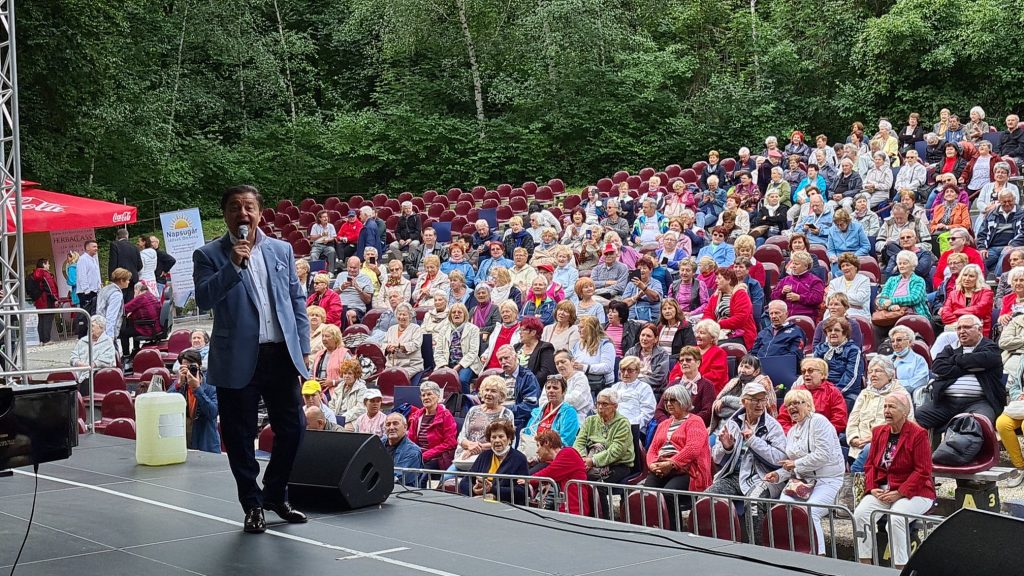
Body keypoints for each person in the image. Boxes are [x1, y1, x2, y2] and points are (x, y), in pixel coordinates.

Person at [192, 185, 311, 533]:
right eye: (234, 207)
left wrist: (302, 346)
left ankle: (274, 493)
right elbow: (203, 298)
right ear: (225, 214)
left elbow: (296, 300)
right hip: (236, 357)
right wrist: (232, 265)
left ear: (260, 212)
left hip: (280, 353)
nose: (242, 213)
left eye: (248, 207)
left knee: (293, 430)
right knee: (240, 435)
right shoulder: (208, 254)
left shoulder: (281, 249)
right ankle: (252, 504)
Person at [854, 392, 935, 570]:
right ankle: (864, 564)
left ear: (905, 412)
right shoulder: (878, 432)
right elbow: (870, 466)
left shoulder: (918, 434)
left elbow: (923, 471)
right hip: (883, 489)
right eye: (885, 406)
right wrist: (872, 487)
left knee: (897, 518)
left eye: (892, 407)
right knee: (860, 514)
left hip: (915, 490)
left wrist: (900, 493)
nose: (886, 411)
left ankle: (900, 567)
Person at [765, 389, 845, 555]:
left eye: (796, 403)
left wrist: (795, 464)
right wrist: (779, 475)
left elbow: (823, 455)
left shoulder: (819, 421)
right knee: (782, 509)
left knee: (810, 511)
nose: (791, 408)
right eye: (788, 405)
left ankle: (819, 556)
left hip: (827, 480)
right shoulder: (793, 431)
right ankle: (789, 553)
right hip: (802, 482)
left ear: (808, 405)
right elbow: (791, 465)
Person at [917, 314, 1004, 435]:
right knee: (917, 417)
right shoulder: (949, 348)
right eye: (959, 328)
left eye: (967, 327)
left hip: (980, 402)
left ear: (979, 330)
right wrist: (970, 367)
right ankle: (921, 451)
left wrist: (953, 360)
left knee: (975, 424)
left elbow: (984, 359)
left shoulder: (990, 348)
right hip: (946, 402)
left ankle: (946, 453)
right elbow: (937, 367)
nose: (962, 331)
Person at [707, 382, 787, 504]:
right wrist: (726, 448)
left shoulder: (773, 426)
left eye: (763, 400)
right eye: (755, 400)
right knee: (706, 500)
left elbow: (780, 459)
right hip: (733, 476)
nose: (760, 404)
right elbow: (716, 458)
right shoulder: (732, 423)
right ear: (744, 402)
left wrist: (753, 441)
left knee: (753, 504)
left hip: (762, 477)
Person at [646, 384, 713, 528]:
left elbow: (692, 449)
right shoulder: (663, 424)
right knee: (647, 494)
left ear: (683, 401)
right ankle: (654, 528)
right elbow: (652, 450)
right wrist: (652, 465)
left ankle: (673, 530)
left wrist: (670, 463)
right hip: (661, 467)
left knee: (668, 494)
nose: (668, 404)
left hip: (688, 470)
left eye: (673, 400)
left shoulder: (695, 421)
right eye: (666, 401)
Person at [574, 389, 635, 518]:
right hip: (589, 460)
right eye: (598, 403)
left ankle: (603, 518)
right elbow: (578, 442)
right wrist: (583, 459)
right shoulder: (590, 420)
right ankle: (582, 515)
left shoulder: (622, 423)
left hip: (619, 464)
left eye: (605, 404)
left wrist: (593, 461)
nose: (600, 407)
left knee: (597, 484)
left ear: (615, 406)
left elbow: (616, 451)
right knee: (576, 477)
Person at [846, 356, 911, 473]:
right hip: (858, 444)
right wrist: (853, 438)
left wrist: (874, 438)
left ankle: (854, 479)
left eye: (878, 371)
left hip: (885, 444)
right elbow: (852, 420)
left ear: (890, 374)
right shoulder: (864, 393)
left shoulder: (901, 395)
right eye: (870, 371)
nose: (873, 375)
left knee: (868, 451)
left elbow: (906, 425)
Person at [459, 419, 529, 504]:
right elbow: (464, 482)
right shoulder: (484, 456)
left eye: (501, 436)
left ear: (509, 438)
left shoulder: (519, 459)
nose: (497, 440)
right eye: (493, 437)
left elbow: (522, 491)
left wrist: (493, 489)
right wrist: (474, 489)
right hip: (478, 502)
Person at [453, 376, 514, 469]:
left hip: (491, 457)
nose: (488, 394)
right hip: (465, 456)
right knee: (446, 478)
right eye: (486, 390)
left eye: (493, 391)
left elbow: (508, 441)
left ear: (501, 395)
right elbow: (461, 436)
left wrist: (477, 448)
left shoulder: (506, 414)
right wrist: (469, 445)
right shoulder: (473, 410)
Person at [777, 358, 848, 436]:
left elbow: (839, 420)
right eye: (803, 372)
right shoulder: (795, 392)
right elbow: (783, 419)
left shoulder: (833, 392)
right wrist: (792, 434)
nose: (806, 374)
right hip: (796, 436)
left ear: (822, 375)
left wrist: (819, 434)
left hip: (823, 436)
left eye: (810, 370)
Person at [167, 349, 220, 453]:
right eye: (185, 366)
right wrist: (178, 385)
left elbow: (213, 413)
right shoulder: (178, 384)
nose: (189, 370)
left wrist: (197, 389)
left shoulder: (211, 385)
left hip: (206, 444)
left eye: (192, 366)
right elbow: (166, 406)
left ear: (199, 366)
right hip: (184, 442)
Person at [710, 355, 778, 433]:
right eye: (741, 366)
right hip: (721, 428)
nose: (742, 370)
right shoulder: (734, 382)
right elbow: (717, 409)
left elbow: (752, 409)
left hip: (748, 430)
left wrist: (726, 401)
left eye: (747, 367)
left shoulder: (762, 383)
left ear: (756, 371)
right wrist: (740, 410)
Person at [522, 375, 583, 461]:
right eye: (548, 388)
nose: (551, 391)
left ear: (564, 391)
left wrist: (544, 450)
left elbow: (566, 442)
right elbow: (527, 433)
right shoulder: (538, 412)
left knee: (532, 473)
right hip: (533, 454)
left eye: (555, 388)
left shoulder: (569, 413)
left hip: (554, 458)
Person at [532, 430, 590, 516]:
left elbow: (546, 474)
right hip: (568, 512)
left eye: (538, 446)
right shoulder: (561, 457)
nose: (537, 451)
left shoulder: (567, 453)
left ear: (547, 443)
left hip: (574, 512)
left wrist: (527, 480)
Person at [814, 317, 865, 411]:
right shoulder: (820, 349)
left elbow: (852, 377)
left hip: (847, 392)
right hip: (823, 390)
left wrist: (833, 393)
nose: (832, 333)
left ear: (845, 333)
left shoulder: (853, 350)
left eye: (837, 330)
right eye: (829, 331)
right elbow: (815, 374)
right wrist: (821, 391)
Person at [408, 381, 458, 471]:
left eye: (429, 394)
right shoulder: (417, 415)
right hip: (418, 455)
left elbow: (450, 443)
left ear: (438, 396)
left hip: (436, 457)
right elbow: (410, 439)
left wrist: (426, 455)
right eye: (423, 395)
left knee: (418, 473)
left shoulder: (446, 415)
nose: (426, 397)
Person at [702, 267, 757, 349]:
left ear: (729, 280)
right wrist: (708, 325)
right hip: (718, 332)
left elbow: (740, 319)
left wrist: (717, 325)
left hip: (739, 335)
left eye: (719, 278)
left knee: (712, 348)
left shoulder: (740, 294)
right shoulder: (715, 296)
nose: (715, 281)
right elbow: (707, 314)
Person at [660, 345, 715, 425]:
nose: (684, 363)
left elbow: (707, 412)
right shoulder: (673, 384)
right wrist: (668, 423)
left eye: (688, 360)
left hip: (695, 426)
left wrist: (685, 423)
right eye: (681, 361)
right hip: (670, 426)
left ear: (698, 363)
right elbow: (659, 410)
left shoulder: (707, 385)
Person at [434, 303, 482, 391]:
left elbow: (473, 352)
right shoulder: (443, 330)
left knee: (462, 380)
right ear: (450, 315)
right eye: (453, 312)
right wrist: (444, 366)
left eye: (459, 312)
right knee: (435, 379)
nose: (456, 314)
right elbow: (438, 352)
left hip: (467, 364)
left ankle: (466, 403)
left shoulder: (473, 329)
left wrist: (459, 366)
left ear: (465, 315)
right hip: (446, 364)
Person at [939, 263, 993, 337]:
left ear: (978, 279)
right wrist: (960, 322)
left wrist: (956, 312)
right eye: (965, 275)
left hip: (978, 330)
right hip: (955, 327)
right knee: (945, 336)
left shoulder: (986, 293)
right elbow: (945, 314)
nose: (967, 279)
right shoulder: (953, 294)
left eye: (971, 276)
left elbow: (979, 310)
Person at [496, 344, 541, 431]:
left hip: (518, 421)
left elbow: (530, 407)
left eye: (506, 358)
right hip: (498, 418)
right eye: (500, 359)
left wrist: (504, 409)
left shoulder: (527, 377)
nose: (503, 362)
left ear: (515, 357)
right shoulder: (498, 378)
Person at [70, 315, 117, 394]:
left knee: (88, 382)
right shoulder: (82, 341)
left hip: (98, 374)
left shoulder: (107, 342)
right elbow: (73, 356)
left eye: (93, 326)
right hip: (80, 374)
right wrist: (78, 362)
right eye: (89, 326)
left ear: (101, 328)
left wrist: (93, 364)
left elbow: (108, 359)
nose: (90, 328)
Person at [570, 316, 616, 397]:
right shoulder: (578, 344)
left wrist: (585, 367)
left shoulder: (606, 344)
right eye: (578, 327)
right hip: (581, 382)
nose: (579, 330)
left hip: (601, 386)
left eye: (581, 327)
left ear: (590, 329)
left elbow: (608, 367)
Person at [876, 250, 929, 318]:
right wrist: (891, 307)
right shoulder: (891, 280)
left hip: (913, 314)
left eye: (905, 263)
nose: (901, 266)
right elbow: (882, 299)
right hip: (891, 314)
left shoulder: (919, 280)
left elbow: (914, 299)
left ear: (912, 265)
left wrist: (892, 301)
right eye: (899, 264)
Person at [608, 355, 656, 430]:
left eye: (630, 370)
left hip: (634, 428)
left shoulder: (644, 388)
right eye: (623, 370)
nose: (626, 373)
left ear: (637, 372)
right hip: (612, 427)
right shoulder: (614, 387)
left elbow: (648, 412)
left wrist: (630, 425)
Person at [771, 251, 824, 318]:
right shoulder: (785, 280)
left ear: (806, 266)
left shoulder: (815, 281)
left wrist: (799, 298)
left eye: (796, 264)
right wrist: (782, 292)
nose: (793, 266)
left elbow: (818, 298)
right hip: (785, 317)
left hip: (806, 316)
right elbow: (773, 296)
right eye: (793, 263)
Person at [624, 322, 671, 395]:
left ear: (655, 339)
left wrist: (635, 379)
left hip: (653, 391)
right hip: (631, 388)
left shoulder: (662, 354)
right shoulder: (631, 352)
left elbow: (659, 378)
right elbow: (622, 373)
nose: (644, 338)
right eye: (642, 335)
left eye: (648, 336)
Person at [120, 281, 161, 358]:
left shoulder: (141, 298)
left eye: (134, 291)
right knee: (133, 324)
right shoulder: (150, 295)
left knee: (123, 333)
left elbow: (124, 309)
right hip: (155, 326)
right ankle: (136, 349)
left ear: (138, 290)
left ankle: (126, 355)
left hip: (148, 328)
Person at [888, 325, 930, 397]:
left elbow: (917, 383)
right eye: (892, 341)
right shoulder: (886, 359)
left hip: (906, 398)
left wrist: (892, 384)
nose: (895, 344)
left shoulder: (919, 360)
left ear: (910, 342)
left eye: (899, 340)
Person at [332, 256, 374, 327]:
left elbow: (368, 300)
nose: (351, 270)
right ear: (347, 266)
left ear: (359, 267)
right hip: (340, 306)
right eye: (350, 267)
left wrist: (358, 288)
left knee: (348, 314)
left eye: (354, 268)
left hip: (356, 308)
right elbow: (333, 294)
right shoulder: (341, 275)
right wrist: (341, 288)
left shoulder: (366, 278)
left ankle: (349, 334)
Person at [327, 357, 368, 426]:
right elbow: (331, 404)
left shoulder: (362, 388)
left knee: (347, 429)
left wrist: (342, 419)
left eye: (350, 373)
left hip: (353, 420)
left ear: (355, 375)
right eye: (345, 373)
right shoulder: (339, 387)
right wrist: (334, 418)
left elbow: (360, 409)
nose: (346, 376)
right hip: (337, 418)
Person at [827, 254, 871, 318]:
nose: (845, 268)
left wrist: (839, 298)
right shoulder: (834, 282)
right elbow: (830, 300)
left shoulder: (864, 280)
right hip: (836, 312)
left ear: (855, 267)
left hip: (858, 313)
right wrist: (851, 301)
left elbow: (860, 299)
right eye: (842, 266)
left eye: (848, 265)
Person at [384, 413, 423, 486]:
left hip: (402, 493)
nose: (391, 427)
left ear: (405, 427)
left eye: (395, 424)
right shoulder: (378, 443)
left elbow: (399, 478)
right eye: (388, 424)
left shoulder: (413, 451)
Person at [97, 268, 131, 345]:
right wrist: (110, 335)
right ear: (122, 280)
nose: (129, 282)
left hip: (100, 326)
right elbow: (111, 316)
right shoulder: (116, 295)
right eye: (127, 280)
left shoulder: (105, 289)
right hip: (108, 331)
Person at [108, 228, 142, 303]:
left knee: (119, 300)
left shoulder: (114, 245)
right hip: (132, 278)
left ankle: (122, 314)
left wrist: (111, 278)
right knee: (130, 301)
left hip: (120, 278)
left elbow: (113, 263)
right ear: (127, 236)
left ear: (117, 237)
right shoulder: (134, 247)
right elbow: (140, 265)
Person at [31, 258, 59, 346]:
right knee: (48, 319)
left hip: (38, 300)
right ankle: (47, 340)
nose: (49, 265)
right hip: (47, 300)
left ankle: (41, 340)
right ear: (43, 264)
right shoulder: (45, 273)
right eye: (48, 263)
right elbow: (51, 287)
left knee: (41, 319)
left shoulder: (34, 274)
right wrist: (55, 298)